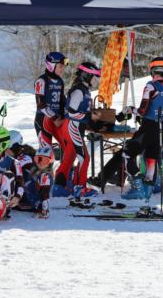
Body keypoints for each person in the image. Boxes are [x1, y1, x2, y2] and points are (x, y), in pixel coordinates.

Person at [121, 57, 163, 200]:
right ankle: (147, 189)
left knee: (127, 154)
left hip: (148, 127)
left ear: (152, 70)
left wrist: (130, 109)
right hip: (161, 129)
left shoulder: (151, 86)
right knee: (151, 158)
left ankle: (138, 188)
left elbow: (142, 111)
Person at [53, 62, 102, 199]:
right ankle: (80, 188)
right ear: (86, 75)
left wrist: (92, 120)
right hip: (72, 127)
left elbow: (80, 111)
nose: (96, 80)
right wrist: (89, 116)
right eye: (94, 76)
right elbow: (71, 112)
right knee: (84, 158)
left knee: (70, 157)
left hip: (74, 127)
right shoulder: (79, 91)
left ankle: (59, 186)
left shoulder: (84, 90)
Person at [34, 52, 67, 149]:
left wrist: (66, 115)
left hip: (58, 120)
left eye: (63, 66)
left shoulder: (60, 81)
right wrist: (55, 118)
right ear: (51, 66)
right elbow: (40, 104)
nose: (62, 69)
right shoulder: (41, 81)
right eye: (60, 66)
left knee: (67, 147)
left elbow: (62, 101)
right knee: (46, 151)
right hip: (43, 120)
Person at [21, 145, 54, 219]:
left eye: (44, 160)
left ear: (50, 162)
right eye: (38, 159)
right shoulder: (33, 170)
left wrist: (43, 207)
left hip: (36, 202)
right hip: (24, 200)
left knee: (45, 176)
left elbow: (45, 192)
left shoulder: (46, 176)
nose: (40, 163)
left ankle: (42, 209)